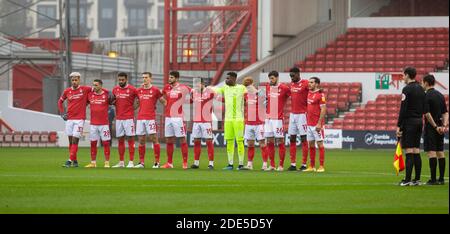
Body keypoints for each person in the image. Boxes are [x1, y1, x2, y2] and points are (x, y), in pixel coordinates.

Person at [208, 72, 247, 170]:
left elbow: (248, 96)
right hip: (228, 120)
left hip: (238, 119)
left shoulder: (242, 88)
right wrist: (205, 87)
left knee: (239, 141)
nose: (226, 80)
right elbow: (213, 89)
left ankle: (241, 164)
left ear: (234, 79)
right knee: (229, 141)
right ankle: (230, 164)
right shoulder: (225, 88)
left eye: (228, 78)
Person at [396, 67, 425, 186]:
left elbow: (403, 109)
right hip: (419, 121)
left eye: (403, 75)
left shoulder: (406, 89)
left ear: (407, 75)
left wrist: (399, 126)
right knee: (416, 150)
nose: (402, 77)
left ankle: (407, 180)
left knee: (409, 150)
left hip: (409, 122)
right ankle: (417, 179)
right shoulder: (421, 88)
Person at [58, 72, 93, 168]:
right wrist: (62, 113)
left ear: (79, 80)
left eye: (76, 80)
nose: (74, 82)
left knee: (75, 140)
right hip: (69, 119)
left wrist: (108, 92)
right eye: (72, 80)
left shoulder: (85, 89)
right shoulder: (67, 91)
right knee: (71, 142)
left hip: (79, 119)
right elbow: (60, 101)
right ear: (71, 80)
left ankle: (69, 161)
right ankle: (75, 161)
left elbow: (97, 89)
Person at [161, 71, 191, 169]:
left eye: (172, 77)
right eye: (169, 77)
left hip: (178, 117)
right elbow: (159, 95)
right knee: (169, 139)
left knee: (182, 139)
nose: (169, 79)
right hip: (168, 117)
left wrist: (188, 101)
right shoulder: (166, 87)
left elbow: (194, 93)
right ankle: (169, 163)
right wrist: (165, 102)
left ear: (177, 79)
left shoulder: (183, 87)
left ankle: (185, 163)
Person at [422, 74, 448, 185]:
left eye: (422, 82)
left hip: (431, 127)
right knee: (440, 152)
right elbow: (445, 113)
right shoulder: (440, 95)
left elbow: (427, 114)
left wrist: (435, 127)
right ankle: (441, 179)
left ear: (426, 83)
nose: (422, 84)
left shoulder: (426, 96)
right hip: (441, 127)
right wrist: (444, 126)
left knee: (431, 152)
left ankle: (433, 179)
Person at [135, 72, 165, 169]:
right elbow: (136, 104)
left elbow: (163, 101)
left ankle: (157, 162)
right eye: (143, 77)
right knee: (141, 140)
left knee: (154, 139)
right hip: (140, 118)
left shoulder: (155, 90)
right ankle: (141, 162)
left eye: (146, 77)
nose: (144, 79)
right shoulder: (138, 90)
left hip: (150, 118)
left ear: (150, 79)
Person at [264, 71, 290, 171]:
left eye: (273, 78)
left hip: (278, 119)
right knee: (269, 141)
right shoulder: (267, 87)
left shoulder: (284, 88)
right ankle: (272, 165)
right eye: (270, 78)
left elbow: (293, 96)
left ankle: (281, 165)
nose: (271, 80)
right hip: (268, 119)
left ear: (277, 78)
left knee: (280, 141)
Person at [111, 72, 138, 168]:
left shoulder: (132, 89)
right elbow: (113, 101)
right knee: (120, 140)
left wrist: (134, 108)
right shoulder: (115, 89)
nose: (121, 81)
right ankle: (121, 162)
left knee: (130, 139)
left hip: (129, 118)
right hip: (119, 118)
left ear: (126, 79)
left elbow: (139, 99)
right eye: (119, 80)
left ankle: (131, 162)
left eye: (122, 80)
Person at [85, 79, 112, 168]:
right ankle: (93, 162)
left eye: (96, 85)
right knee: (93, 143)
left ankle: (107, 162)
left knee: (106, 143)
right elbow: (84, 103)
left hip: (104, 124)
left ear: (101, 85)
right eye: (93, 85)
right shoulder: (90, 95)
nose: (94, 87)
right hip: (93, 124)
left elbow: (114, 101)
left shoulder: (106, 95)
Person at [242, 77, 268, 170]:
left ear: (253, 84)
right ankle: (249, 164)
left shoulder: (260, 93)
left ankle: (265, 165)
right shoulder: (245, 95)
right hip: (249, 123)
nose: (248, 87)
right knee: (250, 144)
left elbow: (266, 105)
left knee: (262, 143)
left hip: (259, 123)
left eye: (249, 85)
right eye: (246, 86)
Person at [288, 67, 310, 171]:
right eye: (290, 76)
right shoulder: (291, 84)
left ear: (298, 74)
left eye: (293, 75)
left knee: (304, 139)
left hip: (302, 114)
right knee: (292, 138)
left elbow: (314, 90)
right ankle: (293, 164)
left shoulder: (305, 83)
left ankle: (304, 164)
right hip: (293, 114)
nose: (292, 78)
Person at [190, 78, 215, 170]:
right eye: (195, 84)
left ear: (203, 84)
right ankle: (196, 163)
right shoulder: (193, 93)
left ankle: (211, 163)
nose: (196, 86)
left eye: (198, 84)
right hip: (196, 121)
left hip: (206, 122)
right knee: (196, 141)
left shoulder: (210, 92)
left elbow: (219, 98)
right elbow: (190, 101)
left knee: (209, 142)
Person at [304, 77, 327, 173]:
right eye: (309, 82)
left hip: (317, 124)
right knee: (311, 145)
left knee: (320, 144)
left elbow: (323, 109)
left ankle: (321, 166)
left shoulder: (320, 95)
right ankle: (311, 166)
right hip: (309, 124)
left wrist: (319, 123)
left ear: (317, 84)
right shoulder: (309, 93)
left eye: (311, 82)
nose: (309, 84)